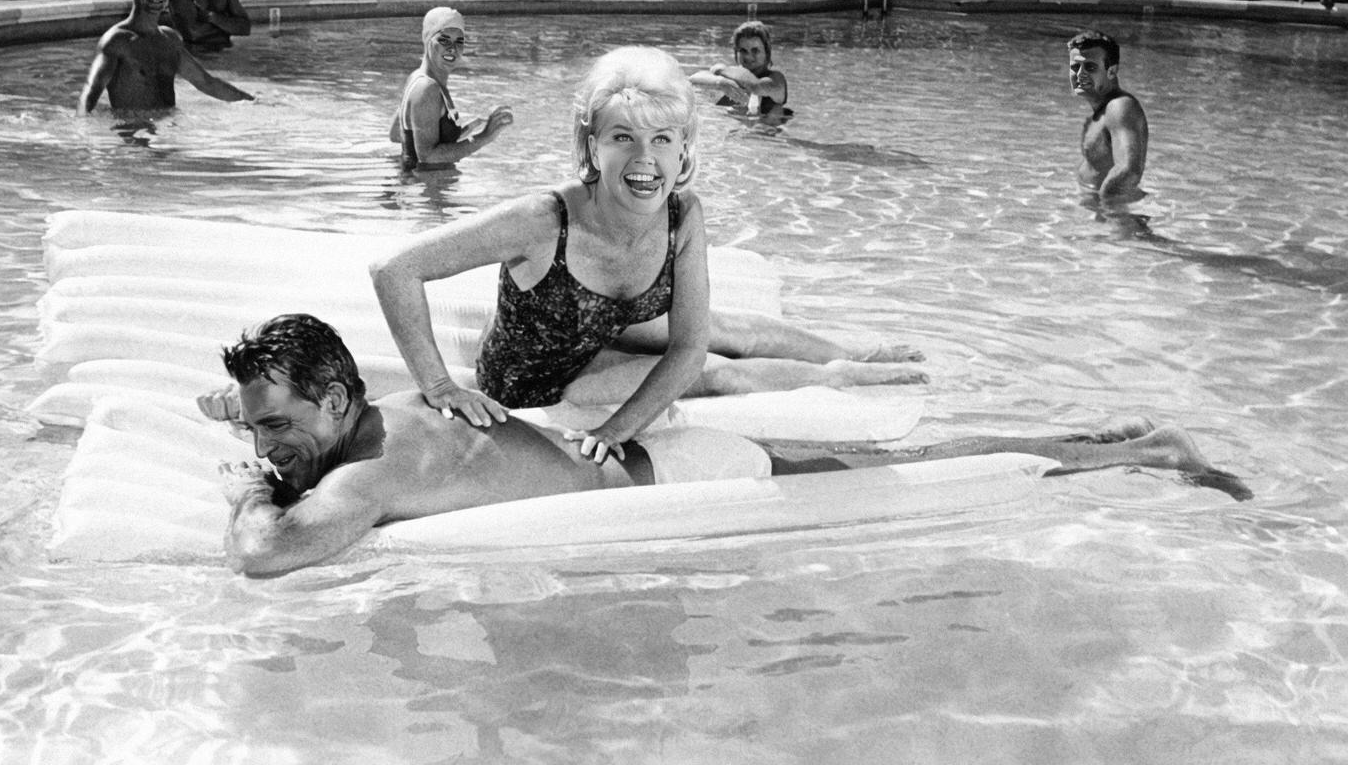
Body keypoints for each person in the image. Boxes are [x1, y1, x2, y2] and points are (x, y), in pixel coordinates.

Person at [208, 313, 1251, 577]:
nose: (273, 444)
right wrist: (254, 426)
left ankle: (1135, 451)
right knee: (897, 460)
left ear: (338, 397)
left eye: (282, 423)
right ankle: (1104, 437)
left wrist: (251, 488)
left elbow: (267, 560)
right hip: (648, 445)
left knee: (911, 469)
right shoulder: (394, 406)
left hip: (683, 469)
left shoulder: (374, 468)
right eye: (260, 424)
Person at [370, 46, 922, 467]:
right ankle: (841, 380)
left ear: (684, 148)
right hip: (545, 384)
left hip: (603, 328)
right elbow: (395, 269)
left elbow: (687, 340)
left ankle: (850, 354)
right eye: (622, 137)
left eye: (662, 138)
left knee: (724, 327)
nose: (645, 159)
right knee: (717, 374)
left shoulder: (682, 214)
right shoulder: (544, 220)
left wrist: (621, 427)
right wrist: (441, 388)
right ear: (591, 146)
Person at [78, 0, 255, 114]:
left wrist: (251, 101)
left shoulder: (170, 39)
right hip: (134, 139)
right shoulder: (117, 41)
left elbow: (206, 82)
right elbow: (90, 93)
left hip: (168, 134)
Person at [387, 7, 513, 170]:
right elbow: (428, 157)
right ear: (427, 39)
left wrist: (469, 128)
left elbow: (398, 135)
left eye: (459, 42)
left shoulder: (417, 78)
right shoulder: (427, 88)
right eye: (444, 40)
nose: (452, 49)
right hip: (426, 189)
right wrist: (484, 137)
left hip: (417, 187)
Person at [1068, 29, 1148, 202]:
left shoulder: (1120, 107)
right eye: (1075, 67)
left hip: (1113, 215)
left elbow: (1129, 170)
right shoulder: (1104, 110)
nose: (1079, 74)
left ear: (1111, 71)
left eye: (1089, 67)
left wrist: (1107, 211)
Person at [690, 20, 788, 115]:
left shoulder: (777, 80)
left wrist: (720, 70)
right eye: (743, 51)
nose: (748, 56)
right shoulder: (730, 79)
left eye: (755, 50)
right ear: (736, 53)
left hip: (764, 130)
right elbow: (693, 78)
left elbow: (756, 87)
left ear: (766, 52)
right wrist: (720, 82)